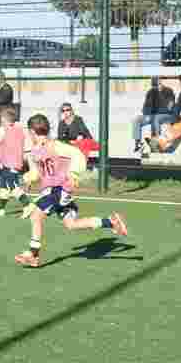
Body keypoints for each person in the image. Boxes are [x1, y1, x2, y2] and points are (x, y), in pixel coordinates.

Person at [13, 114, 126, 267]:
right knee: (71, 224)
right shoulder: (34, 151)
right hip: (53, 191)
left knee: (36, 215)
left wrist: (73, 175)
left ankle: (33, 254)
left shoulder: (55, 146)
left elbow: (77, 154)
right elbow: (37, 172)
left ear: (32, 131)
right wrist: (28, 179)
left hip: (58, 189)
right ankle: (111, 222)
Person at [0, 106, 30, 219]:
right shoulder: (21, 129)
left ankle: (28, 205)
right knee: (4, 186)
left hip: (9, 164)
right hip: (15, 163)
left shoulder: (2, 130)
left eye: (1, 117)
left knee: (13, 186)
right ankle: (0, 209)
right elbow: (27, 147)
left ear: (4, 118)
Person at [132, 77, 175, 152]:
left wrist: (160, 95)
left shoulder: (168, 91)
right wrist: (147, 114)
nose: (155, 87)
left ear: (161, 83)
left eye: (158, 84)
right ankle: (138, 144)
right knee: (137, 119)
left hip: (165, 115)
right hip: (152, 115)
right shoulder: (150, 92)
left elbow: (169, 107)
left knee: (156, 118)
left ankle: (158, 142)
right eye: (153, 85)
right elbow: (145, 107)